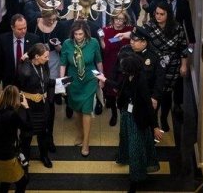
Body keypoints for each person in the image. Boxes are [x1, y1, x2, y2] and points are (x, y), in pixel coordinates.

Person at [115, 2, 189, 132]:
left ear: (168, 14)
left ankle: (164, 118)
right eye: (156, 14)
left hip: (171, 64)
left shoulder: (177, 28)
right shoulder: (151, 25)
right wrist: (124, 35)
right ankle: (153, 121)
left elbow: (183, 47)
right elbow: (138, 33)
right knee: (154, 94)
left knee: (166, 94)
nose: (158, 16)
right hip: (154, 61)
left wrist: (184, 65)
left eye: (162, 14)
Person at [94, 54, 163, 193]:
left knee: (135, 149)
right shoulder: (128, 76)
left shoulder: (141, 82)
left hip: (138, 119)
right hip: (127, 115)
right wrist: (104, 79)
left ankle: (135, 181)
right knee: (128, 141)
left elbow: (149, 107)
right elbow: (120, 87)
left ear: (129, 69)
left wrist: (155, 126)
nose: (121, 68)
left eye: (123, 67)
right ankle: (127, 160)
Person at [149, 0, 196, 118]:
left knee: (178, 80)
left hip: (176, 43)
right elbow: (150, 11)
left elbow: (188, 23)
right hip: (159, 43)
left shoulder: (183, 3)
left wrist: (191, 42)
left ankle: (177, 104)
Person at [59, 20, 104, 157]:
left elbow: (98, 61)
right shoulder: (67, 43)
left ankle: (86, 142)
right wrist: (62, 82)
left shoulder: (94, 42)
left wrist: (102, 77)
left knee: (86, 110)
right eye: (76, 34)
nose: (78, 37)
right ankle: (80, 133)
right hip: (74, 81)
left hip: (90, 80)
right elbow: (63, 64)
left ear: (86, 33)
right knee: (77, 109)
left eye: (81, 34)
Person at [28, 9, 66, 152]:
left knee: (50, 102)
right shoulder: (33, 24)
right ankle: (35, 131)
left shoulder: (60, 26)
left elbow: (64, 48)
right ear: (42, 16)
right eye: (49, 19)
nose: (52, 22)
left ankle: (49, 136)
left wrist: (57, 47)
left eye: (54, 19)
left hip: (53, 62)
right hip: (37, 63)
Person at [16, 43, 57, 168]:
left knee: (43, 133)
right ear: (37, 56)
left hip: (43, 106)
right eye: (45, 56)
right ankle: (25, 159)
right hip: (28, 106)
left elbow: (46, 81)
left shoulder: (44, 66)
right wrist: (23, 61)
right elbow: (20, 82)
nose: (48, 59)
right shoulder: (25, 68)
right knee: (27, 135)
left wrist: (59, 83)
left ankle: (44, 156)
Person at [0, 85, 30, 193]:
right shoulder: (12, 115)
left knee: (5, 182)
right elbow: (28, 127)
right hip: (6, 156)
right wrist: (26, 107)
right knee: (23, 181)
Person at [99, 10, 133, 126]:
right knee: (110, 91)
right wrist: (102, 40)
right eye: (116, 19)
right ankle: (114, 113)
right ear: (112, 19)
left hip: (125, 65)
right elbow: (105, 49)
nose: (118, 22)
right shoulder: (106, 30)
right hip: (110, 64)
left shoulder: (130, 30)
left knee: (124, 90)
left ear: (125, 19)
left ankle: (124, 112)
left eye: (121, 19)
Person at [0, 14, 40, 90]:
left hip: (28, 83)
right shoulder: (3, 39)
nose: (23, 31)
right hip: (9, 83)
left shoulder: (34, 39)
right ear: (12, 28)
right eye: (20, 29)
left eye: (25, 28)